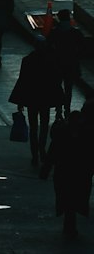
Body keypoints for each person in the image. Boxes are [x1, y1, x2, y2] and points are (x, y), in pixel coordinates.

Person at [40, 100, 94, 238]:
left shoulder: (61, 133)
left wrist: (45, 170)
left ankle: (69, 222)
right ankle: (71, 222)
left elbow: (52, 153)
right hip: (80, 172)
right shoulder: (87, 134)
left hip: (64, 171)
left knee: (67, 197)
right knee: (76, 197)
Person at [9, 38, 64, 166]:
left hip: (32, 98)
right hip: (45, 98)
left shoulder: (27, 61)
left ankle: (34, 154)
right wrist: (59, 103)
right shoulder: (51, 60)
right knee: (44, 126)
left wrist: (20, 101)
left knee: (33, 127)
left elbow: (22, 81)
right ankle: (42, 150)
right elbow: (56, 82)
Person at [46, 8, 84, 117]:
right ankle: (67, 108)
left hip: (57, 63)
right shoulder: (75, 32)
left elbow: (48, 46)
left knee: (58, 87)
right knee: (69, 88)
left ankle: (58, 109)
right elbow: (82, 47)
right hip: (71, 63)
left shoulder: (55, 32)